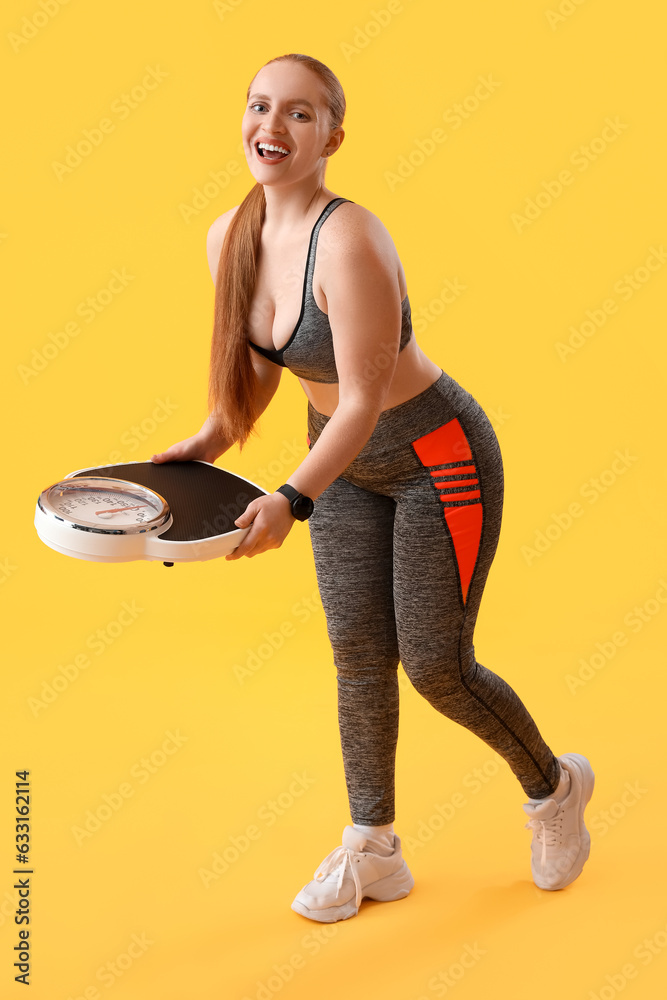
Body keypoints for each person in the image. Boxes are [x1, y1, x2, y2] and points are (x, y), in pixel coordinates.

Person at [152, 52, 595, 922]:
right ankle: (373, 850)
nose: (271, 128)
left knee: (435, 666)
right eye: (259, 107)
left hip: (435, 456)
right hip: (342, 462)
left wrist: (291, 499)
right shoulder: (228, 236)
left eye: (299, 114)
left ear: (332, 138)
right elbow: (263, 371)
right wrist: (209, 439)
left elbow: (360, 397)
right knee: (358, 657)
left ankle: (554, 790)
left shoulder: (350, 237)